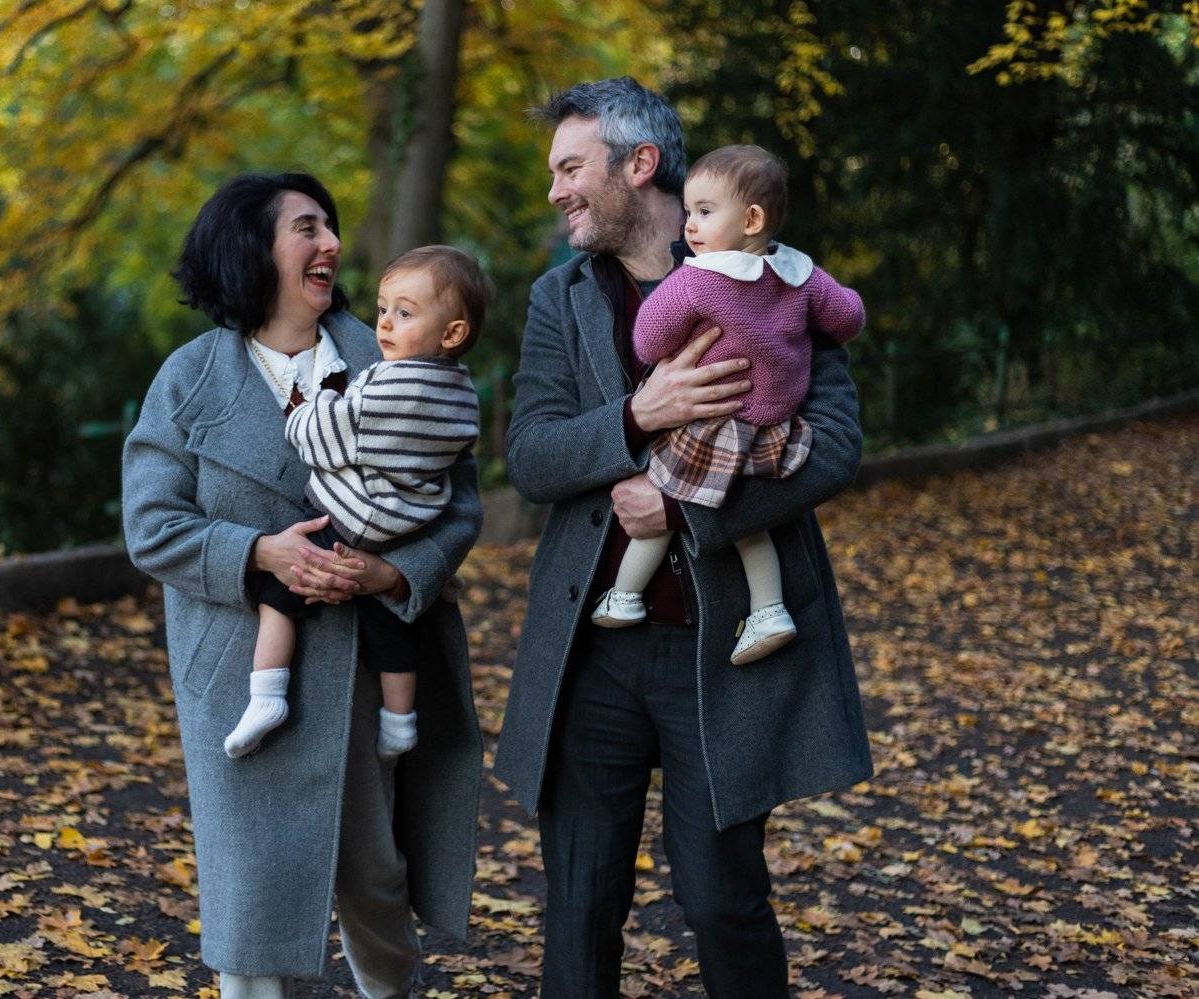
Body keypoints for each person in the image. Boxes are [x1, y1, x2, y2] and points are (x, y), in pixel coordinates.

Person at [492, 77, 874, 998]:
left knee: (722, 901)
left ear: (640, 164)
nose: (555, 190)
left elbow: (834, 445)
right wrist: (638, 415)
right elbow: (530, 455)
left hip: (728, 641)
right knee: (580, 903)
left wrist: (685, 507)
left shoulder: (778, 278)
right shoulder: (559, 297)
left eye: (570, 168)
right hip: (593, 647)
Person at [122, 172, 483, 999]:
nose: (331, 244)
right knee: (247, 896)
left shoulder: (397, 352)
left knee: (376, 875)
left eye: (330, 226)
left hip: (368, 665)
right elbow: (151, 525)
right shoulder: (187, 377)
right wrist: (260, 553)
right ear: (252, 249)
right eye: (307, 227)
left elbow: (460, 505)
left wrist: (392, 572)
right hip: (240, 676)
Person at [589, 144, 865, 671]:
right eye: (689, 211)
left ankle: (624, 596)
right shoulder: (800, 275)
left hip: (712, 425)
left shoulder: (698, 280)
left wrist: (674, 315)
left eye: (705, 211)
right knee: (747, 526)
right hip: (775, 427)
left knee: (661, 495)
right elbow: (848, 318)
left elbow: (648, 340)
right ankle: (770, 610)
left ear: (752, 219)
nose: (690, 226)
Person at [224, 245, 490, 761]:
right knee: (392, 626)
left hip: (347, 518)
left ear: (452, 333)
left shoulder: (393, 382)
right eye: (384, 309)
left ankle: (266, 695)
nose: (385, 323)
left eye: (404, 313)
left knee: (278, 597)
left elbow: (326, 436)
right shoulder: (460, 391)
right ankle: (400, 722)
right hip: (404, 524)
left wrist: (309, 406)